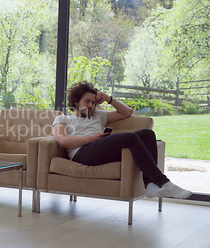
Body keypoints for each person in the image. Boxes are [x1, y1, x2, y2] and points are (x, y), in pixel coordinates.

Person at [52, 81, 192, 199]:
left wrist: (108, 99)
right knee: (129, 137)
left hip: (99, 149)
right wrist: (90, 138)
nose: (90, 106)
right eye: (87, 101)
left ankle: (149, 185)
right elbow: (62, 140)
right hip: (81, 154)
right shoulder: (63, 118)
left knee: (147, 134)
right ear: (76, 102)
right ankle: (165, 183)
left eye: (93, 103)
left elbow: (127, 112)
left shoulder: (98, 115)